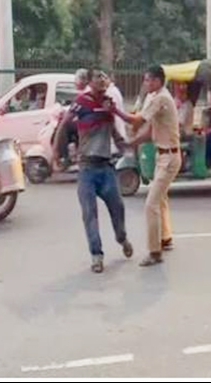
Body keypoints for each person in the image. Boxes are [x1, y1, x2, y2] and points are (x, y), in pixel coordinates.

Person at [53, 69, 133, 274]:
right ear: (90, 82)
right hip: (87, 168)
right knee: (90, 214)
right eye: (98, 76)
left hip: (105, 167)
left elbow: (114, 131)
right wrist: (56, 151)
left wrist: (126, 147)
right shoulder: (82, 102)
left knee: (118, 208)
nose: (102, 79)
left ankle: (121, 237)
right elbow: (63, 125)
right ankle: (96, 255)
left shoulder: (108, 105)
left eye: (104, 77)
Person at [113, 65, 181, 266]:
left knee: (151, 204)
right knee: (160, 198)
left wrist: (115, 111)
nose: (146, 83)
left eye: (149, 80)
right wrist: (130, 143)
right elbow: (149, 132)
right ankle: (165, 238)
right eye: (145, 80)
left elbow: (138, 120)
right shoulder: (154, 97)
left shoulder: (161, 98)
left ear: (159, 81)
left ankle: (155, 252)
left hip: (169, 157)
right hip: (163, 155)